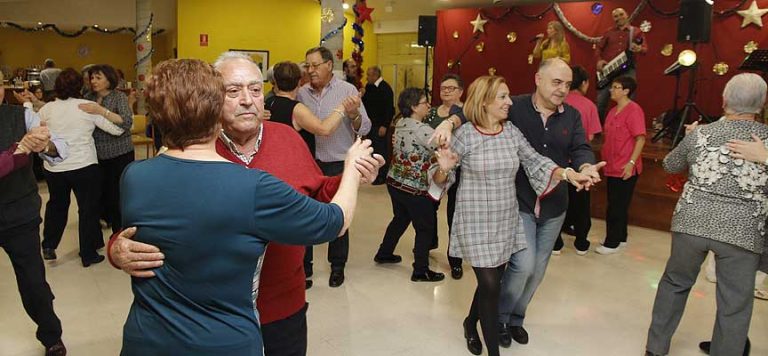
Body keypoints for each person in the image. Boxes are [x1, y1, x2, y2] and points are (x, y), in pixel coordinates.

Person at [108, 52, 383, 355]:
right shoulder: (188, 155)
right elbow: (140, 227)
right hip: (224, 318)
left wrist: (350, 178)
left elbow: (317, 191)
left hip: (283, 306)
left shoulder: (288, 139)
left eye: (255, 89)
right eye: (233, 90)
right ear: (210, 100)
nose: (247, 100)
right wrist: (117, 249)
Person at [433, 75, 594, 356]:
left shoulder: (511, 133)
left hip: (504, 219)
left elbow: (536, 161)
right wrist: (444, 168)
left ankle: (470, 324)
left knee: (490, 283)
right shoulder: (465, 135)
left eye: (508, 96)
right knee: (491, 284)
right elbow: (437, 179)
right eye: (503, 97)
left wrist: (569, 173)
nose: (510, 102)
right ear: (484, 102)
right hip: (475, 220)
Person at [645, 73, 768, 356]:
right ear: (761, 104)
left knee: (675, 284)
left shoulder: (701, 134)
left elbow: (670, 165)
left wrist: (691, 142)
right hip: (742, 231)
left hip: (692, 223)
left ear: (724, 101)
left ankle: (655, 349)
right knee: (734, 302)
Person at [0, 76, 68, 356]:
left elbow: (59, 148)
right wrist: (20, 150)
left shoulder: (21, 116)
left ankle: (52, 336)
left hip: (19, 214)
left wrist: (45, 145)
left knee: (33, 282)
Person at [298, 46, 372, 287]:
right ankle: (304, 268)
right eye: (307, 66)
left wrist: (353, 115)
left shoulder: (347, 90)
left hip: (339, 162)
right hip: (309, 163)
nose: (310, 70)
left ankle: (337, 266)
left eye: (315, 65)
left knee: (339, 215)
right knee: (305, 215)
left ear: (329, 65)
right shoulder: (302, 93)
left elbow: (365, 127)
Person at [39, 69, 124, 266]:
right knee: (88, 209)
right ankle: (88, 254)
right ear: (80, 86)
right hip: (84, 165)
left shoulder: (47, 108)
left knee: (57, 205)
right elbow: (115, 129)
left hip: (55, 166)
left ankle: (49, 245)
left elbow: (36, 127)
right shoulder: (87, 106)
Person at [374, 88, 444, 282]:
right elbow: (445, 146)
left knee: (400, 218)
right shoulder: (423, 130)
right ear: (414, 106)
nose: (429, 106)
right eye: (425, 102)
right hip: (414, 187)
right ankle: (420, 270)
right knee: (425, 228)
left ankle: (384, 252)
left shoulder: (400, 123)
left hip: (395, 181)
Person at [80, 64, 134, 234]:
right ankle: (105, 220)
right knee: (101, 192)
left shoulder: (118, 97)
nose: (93, 81)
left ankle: (119, 231)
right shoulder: (87, 97)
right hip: (96, 153)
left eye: (98, 77)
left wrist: (101, 111)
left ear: (109, 79)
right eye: (92, 78)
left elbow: (126, 122)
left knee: (117, 193)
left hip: (119, 152)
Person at [554, 65, 602, 255]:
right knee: (582, 203)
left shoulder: (558, 101)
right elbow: (589, 137)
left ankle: (556, 244)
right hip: (580, 163)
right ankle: (581, 242)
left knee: (557, 201)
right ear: (583, 83)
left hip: (558, 162)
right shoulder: (589, 105)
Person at [596, 76, 645, 255]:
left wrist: (631, 163)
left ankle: (612, 242)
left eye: (616, 87)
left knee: (616, 206)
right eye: (612, 87)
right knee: (617, 203)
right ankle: (620, 236)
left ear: (626, 91)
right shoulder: (612, 111)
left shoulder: (634, 110)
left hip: (625, 166)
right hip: (612, 165)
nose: (612, 90)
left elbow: (640, 138)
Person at [424, 73, 466, 279]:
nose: (446, 91)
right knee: (429, 207)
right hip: (435, 169)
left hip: (461, 170)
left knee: (454, 215)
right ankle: (429, 242)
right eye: (443, 88)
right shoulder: (431, 113)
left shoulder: (466, 112)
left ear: (461, 91)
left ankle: (455, 259)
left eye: (451, 88)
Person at [265, 61, 346, 158]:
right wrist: (343, 106)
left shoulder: (269, 102)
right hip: (296, 163)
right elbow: (324, 129)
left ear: (275, 82)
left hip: (276, 159)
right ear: (299, 82)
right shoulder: (296, 109)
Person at [595, 7, 647, 121]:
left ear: (627, 15)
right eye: (615, 16)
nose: (619, 18)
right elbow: (598, 47)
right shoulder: (608, 32)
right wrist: (599, 60)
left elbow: (645, 49)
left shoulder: (636, 31)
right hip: (609, 70)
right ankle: (597, 132)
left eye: (621, 14)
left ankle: (627, 126)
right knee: (601, 101)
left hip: (627, 69)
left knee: (629, 99)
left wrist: (639, 49)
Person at [362, 65, 395, 185]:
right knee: (373, 149)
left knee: (380, 151)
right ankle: (373, 173)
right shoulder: (369, 87)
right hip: (371, 124)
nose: (367, 77)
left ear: (375, 75)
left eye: (369, 75)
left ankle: (382, 175)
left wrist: (385, 125)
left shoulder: (385, 88)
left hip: (379, 125)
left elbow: (389, 109)